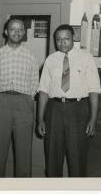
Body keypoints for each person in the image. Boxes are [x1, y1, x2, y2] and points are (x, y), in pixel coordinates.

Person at [38, 24, 101, 177]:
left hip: (79, 110)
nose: (62, 42)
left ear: (73, 38)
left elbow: (94, 90)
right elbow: (43, 91)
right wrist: (40, 119)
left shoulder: (86, 58)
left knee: (77, 159)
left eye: (66, 39)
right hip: (54, 110)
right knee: (52, 158)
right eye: (58, 39)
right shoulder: (50, 60)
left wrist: (93, 119)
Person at [0, 18, 39, 177]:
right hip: (1, 102)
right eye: (12, 29)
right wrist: (2, 97)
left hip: (24, 102)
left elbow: (34, 84)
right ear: (6, 32)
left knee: (24, 152)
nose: (16, 32)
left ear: (24, 32)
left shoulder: (31, 56)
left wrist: (25, 99)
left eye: (20, 29)